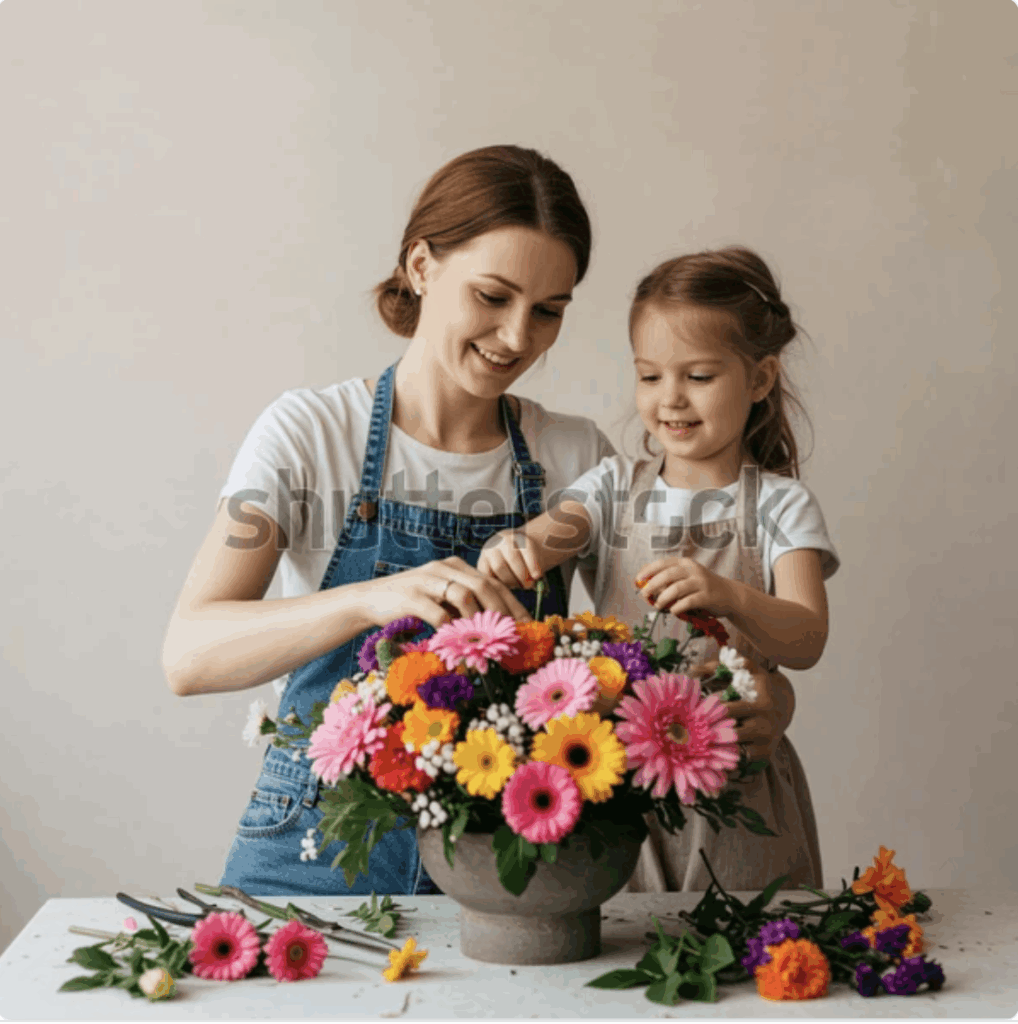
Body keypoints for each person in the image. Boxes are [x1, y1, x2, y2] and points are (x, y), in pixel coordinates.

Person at [162, 147, 800, 896]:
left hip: (506, 874)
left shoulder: (576, 457)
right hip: (311, 859)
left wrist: (770, 701)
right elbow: (190, 653)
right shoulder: (307, 434)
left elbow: (664, 646)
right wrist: (377, 597)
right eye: (493, 296)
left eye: (549, 310)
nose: (517, 337)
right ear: (422, 267)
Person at [478, 246, 839, 891]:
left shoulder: (782, 504)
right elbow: (545, 539)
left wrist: (731, 595)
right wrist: (516, 546)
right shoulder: (613, 486)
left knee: (744, 946)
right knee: (625, 942)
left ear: (759, 381)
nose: (670, 398)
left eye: (698, 376)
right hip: (622, 779)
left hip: (736, 785)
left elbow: (808, 636)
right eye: (650, 376)